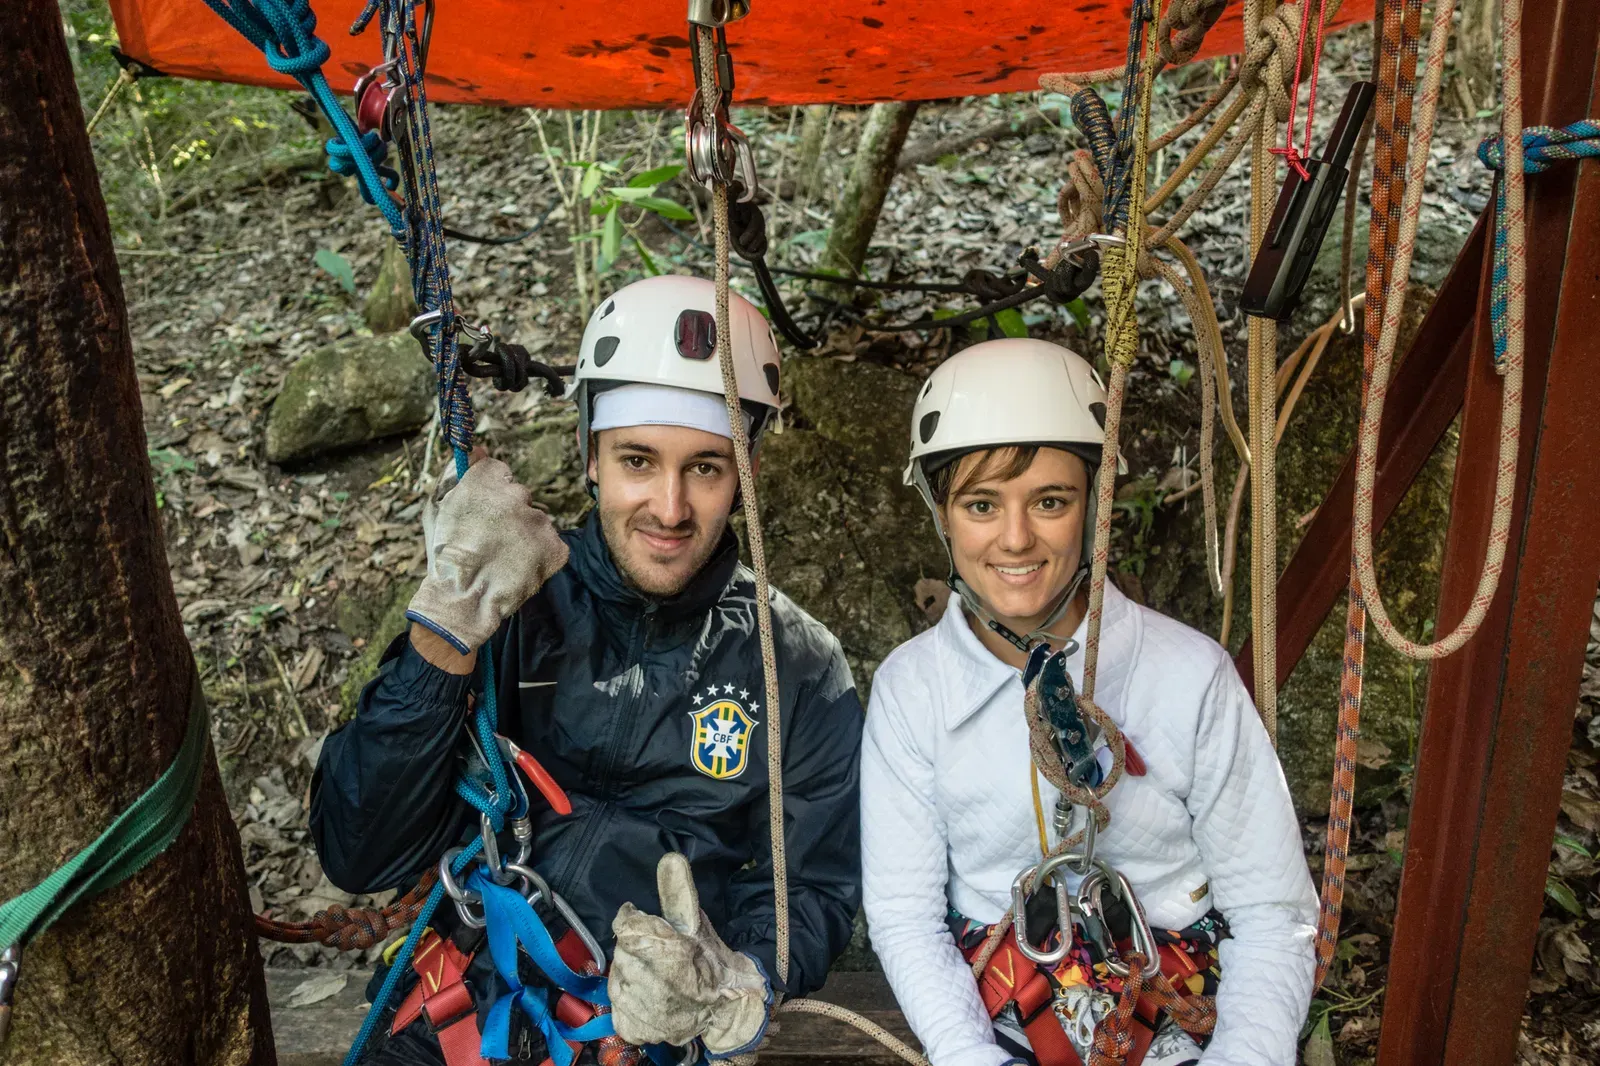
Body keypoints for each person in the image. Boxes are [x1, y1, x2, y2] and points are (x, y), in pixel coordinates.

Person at [312, 275, 863, 1065]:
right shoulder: (505, 599)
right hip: (448, 1018)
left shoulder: (796, 665)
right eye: (638, 460)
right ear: (590, 455)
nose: (669, 508)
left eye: (706, 468)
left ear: (746, 472)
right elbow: (359, 853)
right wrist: (440, 644)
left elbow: (811, 888)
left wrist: (740, 972)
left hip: (636, 1036)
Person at [860, 339, 1317, 1066]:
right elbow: (906, 917)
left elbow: (1273, 912)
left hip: (1180, 1018)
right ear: (941, 514)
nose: (1016, 539)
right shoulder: (912, 692)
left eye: (1050, 501)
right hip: (1000, 1019)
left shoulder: (1189, 677)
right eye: (982, 505)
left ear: (1094, 506)